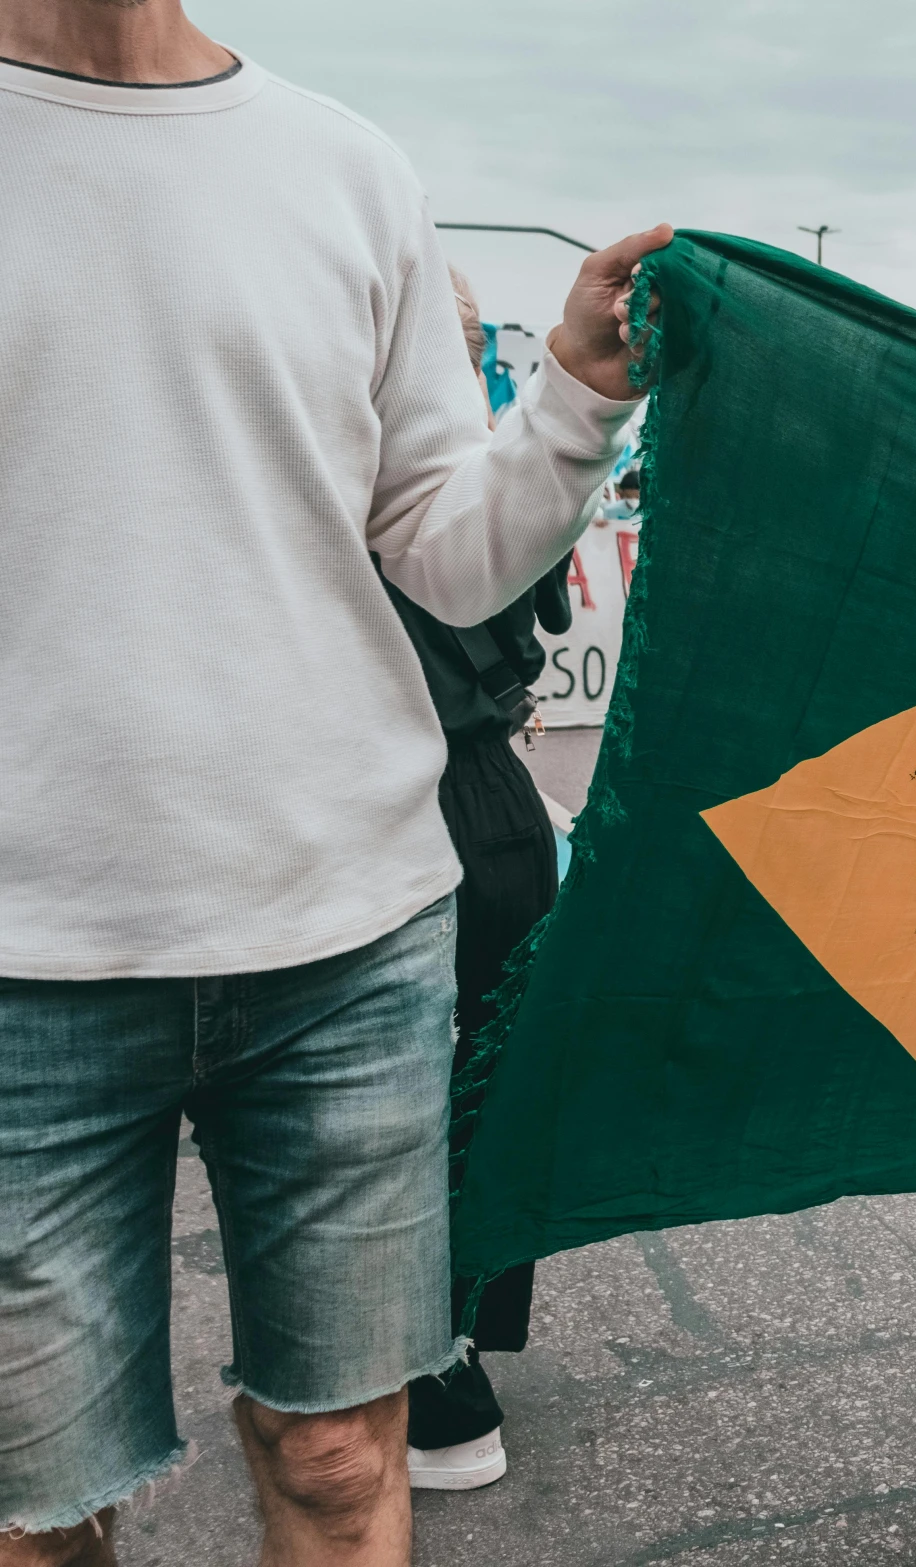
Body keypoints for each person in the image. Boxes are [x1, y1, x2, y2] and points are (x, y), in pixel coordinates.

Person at [0, 5, 667, 1561]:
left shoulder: (343, 165)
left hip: (350, 936)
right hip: (25, 959)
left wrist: (573, 390)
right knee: (34, 1508)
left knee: (341, 1458)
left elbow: (443, 552)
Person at [386, 271, 578, 1493]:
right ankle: (442, 1351)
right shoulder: (497, 470)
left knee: (396, 1092)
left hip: (412, 786)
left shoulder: (358, 459)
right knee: (462, 1079)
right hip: (467, 789)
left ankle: (422, 1353)